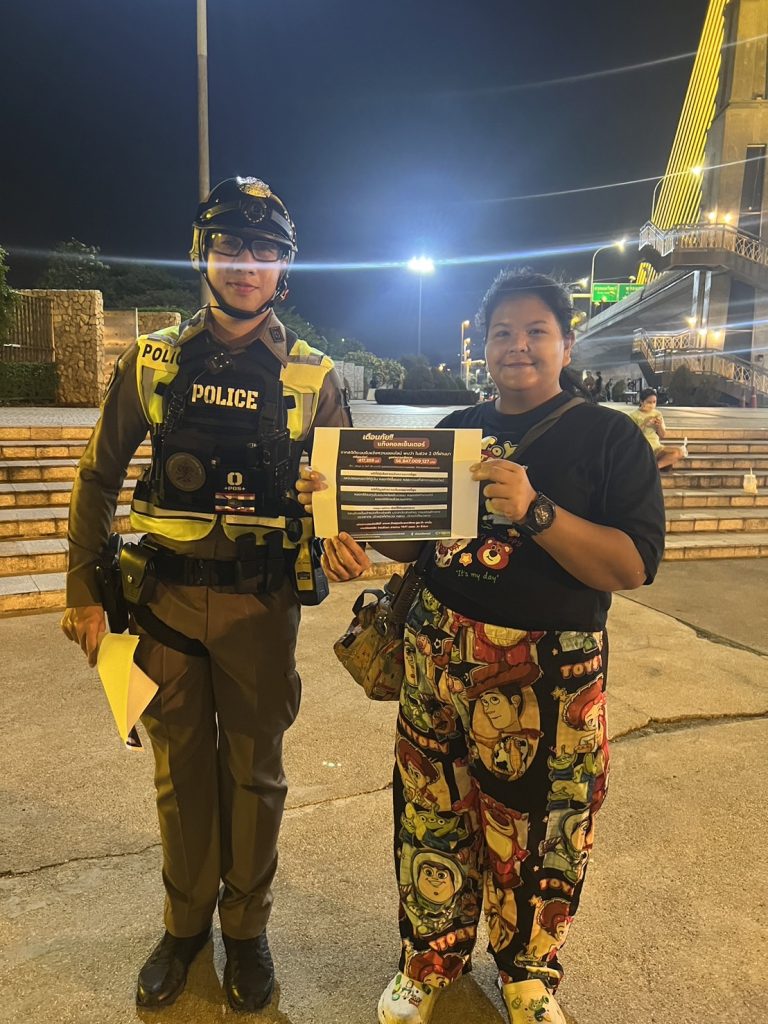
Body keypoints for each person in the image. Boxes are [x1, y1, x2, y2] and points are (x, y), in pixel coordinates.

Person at [298, 269, 666, 1024]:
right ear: (484, 346)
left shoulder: (610, 438)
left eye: (536, 331)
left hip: (549, 675)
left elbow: (632, 565)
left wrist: (535, 510)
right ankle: (429, 958)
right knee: (430, 810)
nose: (517, 346)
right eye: (502, 332)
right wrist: (346, 511)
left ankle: (528, 973)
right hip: (438, 657)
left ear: (566, 343)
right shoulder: (456, 429)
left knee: (540, 827)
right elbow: (416, 542)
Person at [60, 176, 350, 1012]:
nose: (246, 263)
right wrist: (83, 592)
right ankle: (184, 926)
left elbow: (344, 493)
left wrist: (344, 527)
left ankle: (247, 932)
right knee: (178, 772)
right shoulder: (152, 360)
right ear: (203, 255)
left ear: (285, 266)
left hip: (262, 606)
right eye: (229, 245)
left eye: (264, 250)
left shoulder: (313, 376)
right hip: (165, 606)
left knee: (254, 774)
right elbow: (97, 477)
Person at [629, 387, 686, 470]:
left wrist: (659, 426)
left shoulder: (657, 414)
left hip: (657, 447)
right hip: (643, 448)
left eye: (654, 402)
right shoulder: (633, 415)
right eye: (649, 402)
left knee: (679, 452)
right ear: (641, 401)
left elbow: (662, 435)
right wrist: (645, 424)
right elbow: (632, 435)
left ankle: (655, 468)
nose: (652, 405)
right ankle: (655, 467)